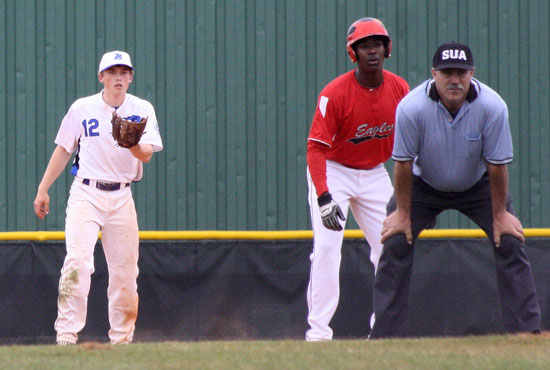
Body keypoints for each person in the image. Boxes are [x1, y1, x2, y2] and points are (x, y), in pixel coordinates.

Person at [369, 42, 542, 338]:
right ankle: (385, 337)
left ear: (472, 74)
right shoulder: (411, 108)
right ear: (434, 74)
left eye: (461, 73)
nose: (454, 80)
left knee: (510, 241)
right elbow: (403, 165)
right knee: (396, 242)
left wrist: (500, 214)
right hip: (422, 185)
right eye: (447, 72)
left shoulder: (493, 106)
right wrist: (403, 214)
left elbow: (497, 167)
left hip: (478, 185)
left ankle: (526, 333)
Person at [33, 50, 163, 345]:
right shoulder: (83, 108)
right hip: (86, 193)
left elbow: (147, 155)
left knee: (125, 272)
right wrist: (43, 188)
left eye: (123, 72)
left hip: (121, 196)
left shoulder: (142, 108)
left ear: (130, 77)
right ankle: (66, 336)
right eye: (112, 72)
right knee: (77, 262)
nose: (118, 78)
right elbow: (64, 148)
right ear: (101, 77)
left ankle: (122, 341)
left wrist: (132, 145)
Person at [305, 17, 409, 341]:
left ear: (387, 49)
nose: (372, 51)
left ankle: (383, 331)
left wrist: (409, 199)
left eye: (377, 44)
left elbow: (411, 148)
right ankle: (318, 335)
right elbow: (315, 149)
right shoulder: (334, 93)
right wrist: (324, 197)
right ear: (354, 53)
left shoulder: (399, 88)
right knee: (326, 248)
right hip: (334, 171)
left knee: (390, 248)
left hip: (375, 173)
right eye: (364, 46)